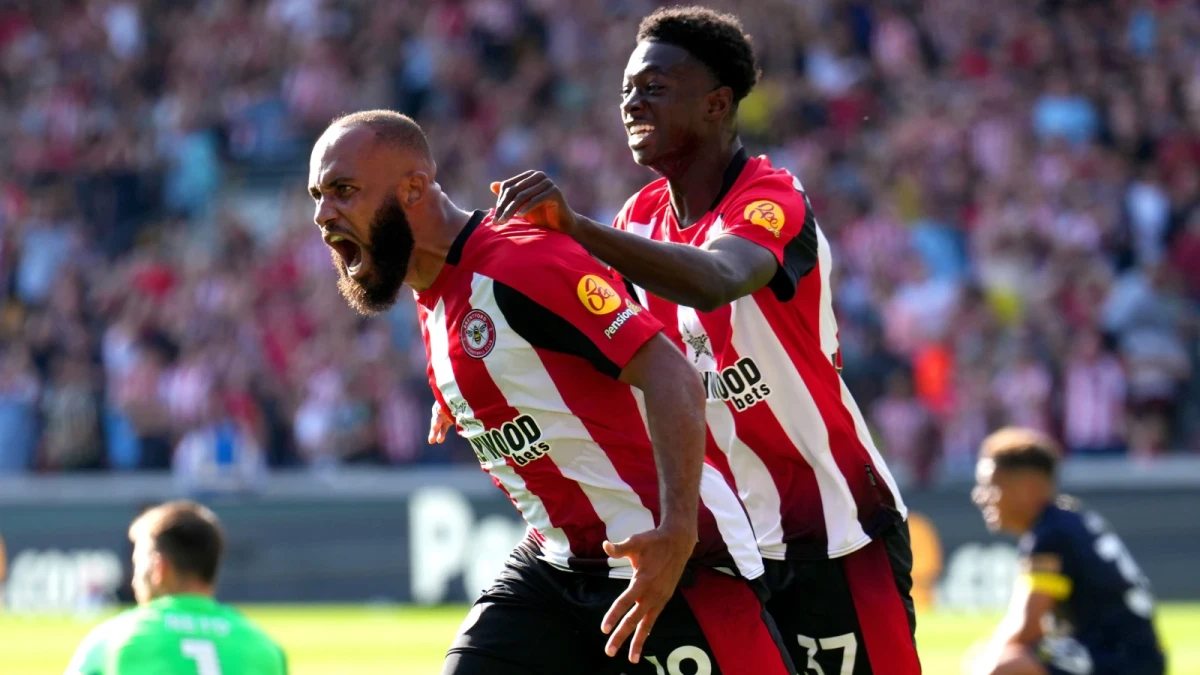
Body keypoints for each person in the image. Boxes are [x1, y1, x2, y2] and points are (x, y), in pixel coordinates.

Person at [492, 6, 918, 674]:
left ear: (717, 104)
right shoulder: (638, 219)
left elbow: (716, 280)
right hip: (729, 549)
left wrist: (578, 228)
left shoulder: (772, 197)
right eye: (628, 89)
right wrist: (483, 372)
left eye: (654, 87)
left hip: (835, 533)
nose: (632, 102)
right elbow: (592, 342)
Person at [309, 110, 793, 675]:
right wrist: (463, 402)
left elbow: (672, 376)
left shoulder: (523, 262)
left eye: (343, 190)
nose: (323, 214)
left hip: (672, 559)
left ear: (413, 189)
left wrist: (677, 532)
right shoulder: (430, 288)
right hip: (556, 566)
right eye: (317, 196)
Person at [970, 428, 1166, 675]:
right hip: (1126, 655)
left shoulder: (1051, 535)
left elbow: (1027, 627)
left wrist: (983, 663)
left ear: (1028, 487)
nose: (980, 496)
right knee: (990, 658)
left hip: (1120, 659)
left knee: (1002, 667)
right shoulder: (1066, 522)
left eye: (992, 485)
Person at [64, 501, 287, 675]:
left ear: (159, 568)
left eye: (137, 564)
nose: (134, 579)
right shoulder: (265, 649)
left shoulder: (114, 641)